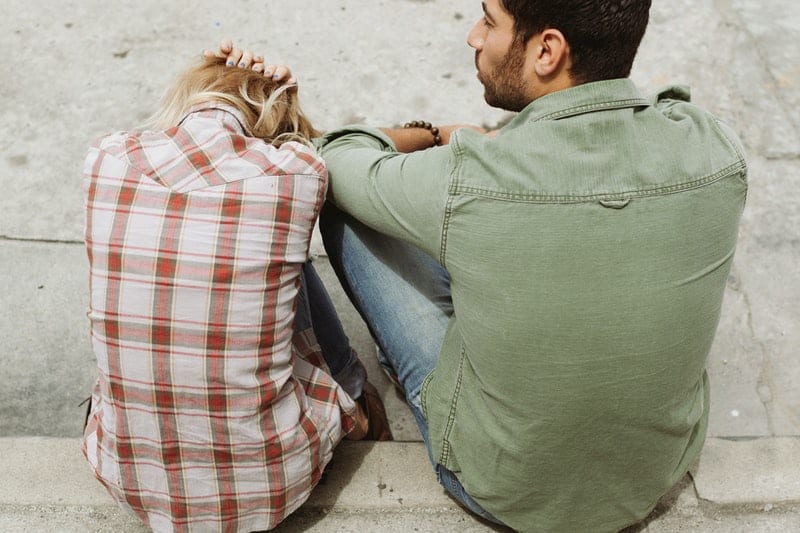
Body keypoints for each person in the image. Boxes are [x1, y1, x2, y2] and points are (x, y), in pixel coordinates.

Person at [226, 0, 748, 528]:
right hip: (650, 480)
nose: (474, 37)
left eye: (489, 22)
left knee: (351, 209)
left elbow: (333, 156)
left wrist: (435, 135)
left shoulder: (471, 176)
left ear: (547, 50)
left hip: (497, 488)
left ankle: (365, 397)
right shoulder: (716, 149)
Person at [82, 53, 391, 533]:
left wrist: (208, 71)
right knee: (279, 259)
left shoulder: (104, 159)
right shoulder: (297, 174)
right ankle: (358, 398)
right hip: (270, 488)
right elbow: (306, 149)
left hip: (129, 481)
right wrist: (282, 95)